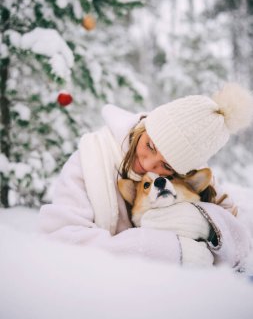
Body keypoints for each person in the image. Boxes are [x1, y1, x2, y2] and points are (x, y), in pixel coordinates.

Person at [39, 83, 253, 267]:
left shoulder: (193, 178)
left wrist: (202, 222)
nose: (147, 163)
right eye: (150, 145)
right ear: (145, 128)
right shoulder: (89, 160)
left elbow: (241, 249)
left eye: (166, 166)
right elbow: (61, 239)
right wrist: (174, 251)